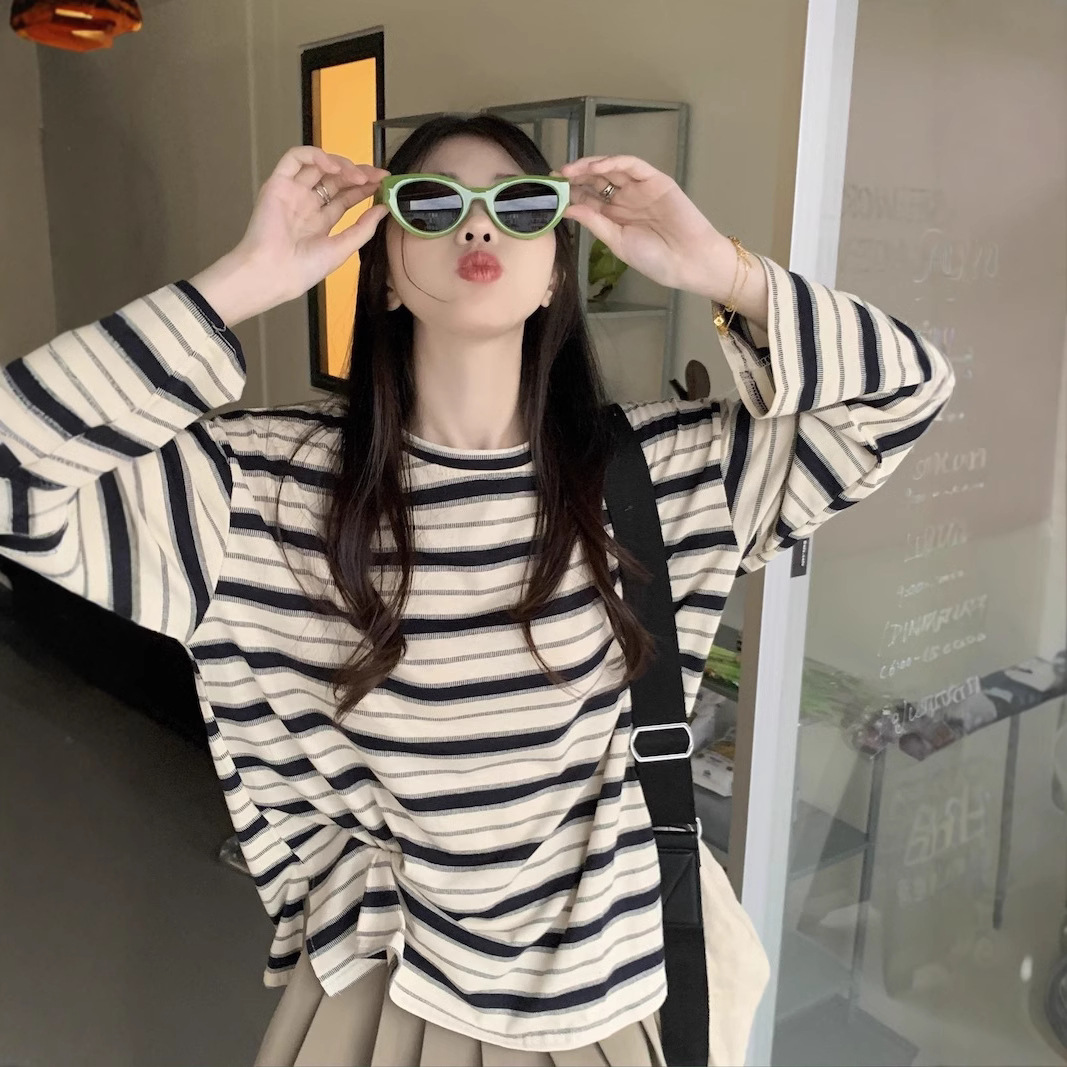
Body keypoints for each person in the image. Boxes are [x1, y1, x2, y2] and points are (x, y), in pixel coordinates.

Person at [0, 113, 954, 1066]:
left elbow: (905, 393)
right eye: (431, 203)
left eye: (521, 204)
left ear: (554, 273)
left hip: (607, 994)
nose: (478, 223)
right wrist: (243, 281)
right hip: (384, 988)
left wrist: (722, 270)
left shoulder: (664, 475)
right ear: (381, 265)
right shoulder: (261, 488)